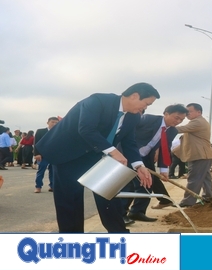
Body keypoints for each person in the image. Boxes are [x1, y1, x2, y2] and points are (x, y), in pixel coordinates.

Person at [34, 82, 158, 233]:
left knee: (109, 195)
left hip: (97, 155)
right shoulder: (98, 101)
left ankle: (119, 235)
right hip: (68, 154)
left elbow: (129, 143)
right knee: (70, 201)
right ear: (134, 96)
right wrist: (114, 152)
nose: (144, 108)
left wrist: (139, 165)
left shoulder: (133, 117)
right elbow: (86, 129)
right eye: (146, 104)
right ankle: (72, 240)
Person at [125, 104, 188, 220]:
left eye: (182, 119)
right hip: (130, 155)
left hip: (145, 158)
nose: (178, 121)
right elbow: (127, 130)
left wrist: (164, 170)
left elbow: (165, 148)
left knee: (144, 184)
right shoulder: (148, 119)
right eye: (176, 117)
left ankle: (135, 212)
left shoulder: (172, 131)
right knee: (142, 184)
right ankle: (125, 213)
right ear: (166, 114)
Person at [174, 103, 212, 207]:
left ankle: (188, 202)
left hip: (199, 156)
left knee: (194, 179)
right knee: (205, 178)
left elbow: (180, 129)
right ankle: (208, 198)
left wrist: (167, 126)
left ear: (199, 112)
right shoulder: (199, 121)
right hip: (203, 155)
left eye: (189, 111)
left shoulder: (197, 122)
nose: (187, 114)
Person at [33, 117, 59, 193]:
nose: (54, 124)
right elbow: (36, 143)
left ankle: (52, 186)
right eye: (52, 122)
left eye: (56, 122)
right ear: (47, 123)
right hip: (42, 155)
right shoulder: (41, 131)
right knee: (41, 171)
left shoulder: (59, 131)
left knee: (53, 171)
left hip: (54, 155)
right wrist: (37, 154)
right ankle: (38, 186)